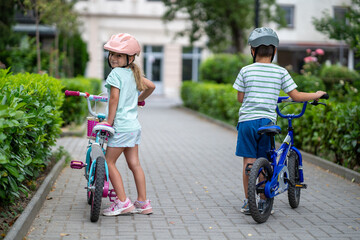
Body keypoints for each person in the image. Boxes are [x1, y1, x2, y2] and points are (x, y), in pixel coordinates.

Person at [233, 27, 327, 215]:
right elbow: (296, 95)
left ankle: (247, 202)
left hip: (247, 123)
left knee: (249, 162)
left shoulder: (245, 70)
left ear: (252, 51)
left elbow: (240, 98)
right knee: (265, 161)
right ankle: (263, 202)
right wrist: (315, 94)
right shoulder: (280, 72)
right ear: (274, 51)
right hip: (267, 123)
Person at [100, 33, 155, 216]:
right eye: (111, 54)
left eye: (118, 55)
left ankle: (123, 202)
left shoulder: (115, 74)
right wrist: (139, 100)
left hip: (121, 127)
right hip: (134, 128)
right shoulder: (133, 73)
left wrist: (109, 121)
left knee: (109, 162)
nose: (113, 59)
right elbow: (151, 86)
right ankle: (143, 203)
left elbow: (114, 98)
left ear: (129, 58)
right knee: (134, 164)